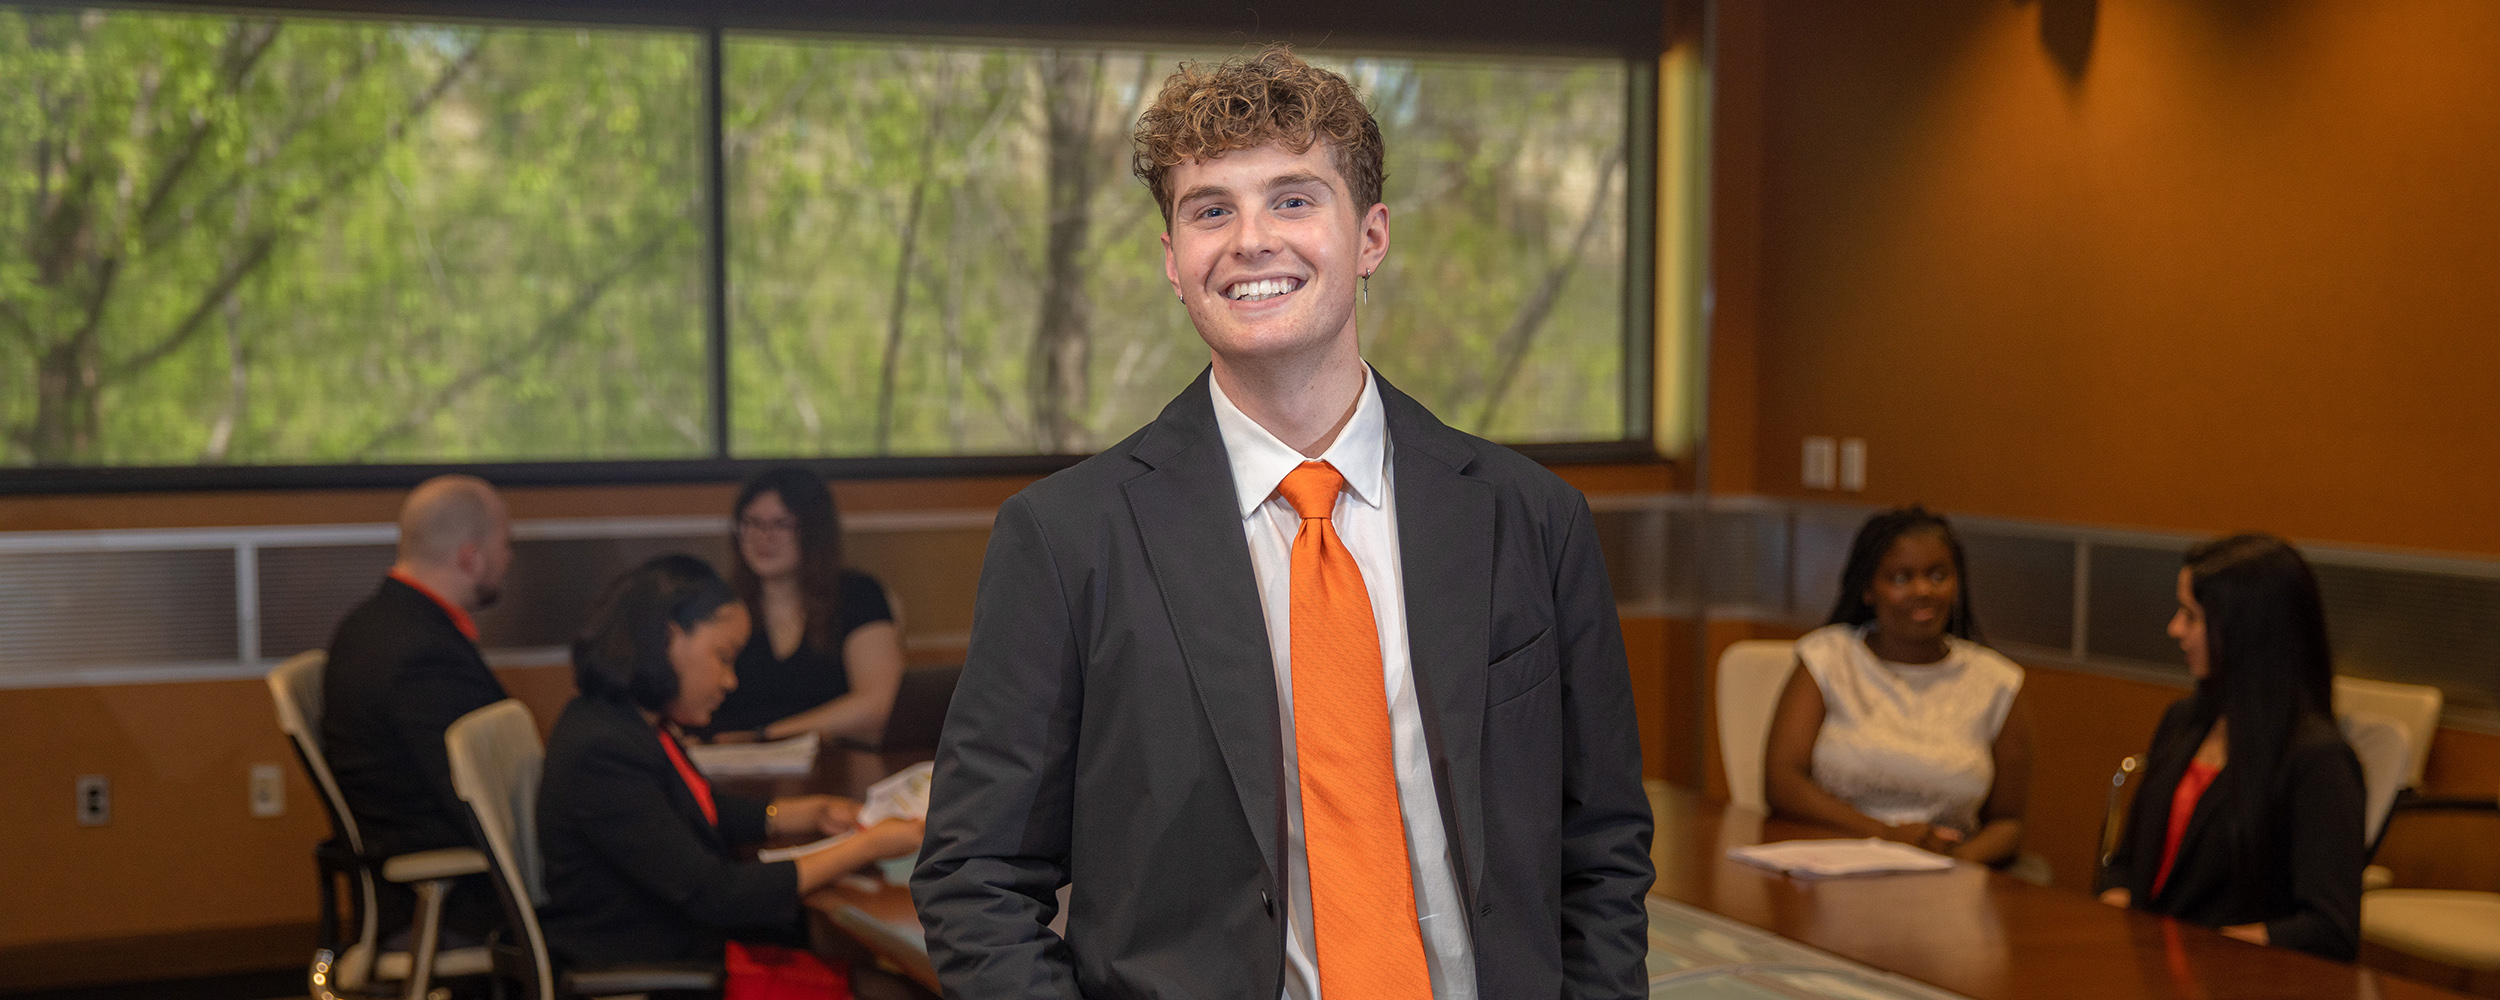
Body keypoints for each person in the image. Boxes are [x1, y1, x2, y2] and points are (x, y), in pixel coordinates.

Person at [914, 46, 1654, 1000]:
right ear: (1174, 263)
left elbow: (1602, 854)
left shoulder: (1531, 519)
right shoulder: (1066, 540)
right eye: (1210, 209)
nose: (1251, 239)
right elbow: (974, 877)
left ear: (1372, 237)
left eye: (1295, 199)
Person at [537, 555, 924, 992]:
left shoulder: (626, 721)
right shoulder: (603, 749)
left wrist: (804, 814)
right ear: (669, 638)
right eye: (723, 658)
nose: (730, 680)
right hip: (666, 969)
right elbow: (718, 893)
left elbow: (695, 808)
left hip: (687, 949)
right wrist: (865, 844)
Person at [2096, 534, 2364, 960]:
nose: (2174, 629)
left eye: (2191, 616)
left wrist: (2201, 951)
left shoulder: (2318, 760)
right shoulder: (2182, 722)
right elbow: (2125, 866)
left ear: (2246, 632)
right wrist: (2118, 914)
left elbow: (2328, 928)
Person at [1763, 506, 2035, 867]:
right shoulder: (1828, 657)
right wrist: (1887, 835)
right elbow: (1782, 783)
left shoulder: (1996, 682)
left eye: (1938, 576)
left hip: (1948, 878)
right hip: (1831, 864)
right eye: (1901, 578)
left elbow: (2008, 822)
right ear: (1867, 589)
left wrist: (1952, 864)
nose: (1923, 590)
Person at [323, 474, 515, 943]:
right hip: (452, 899)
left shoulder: (372, 623)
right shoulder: (420, 654)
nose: (509, 560)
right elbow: (476, 793)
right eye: (506, 546)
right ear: (471, 556)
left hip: (419, 874)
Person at [702, 467, 905, 744]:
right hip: (726, 764)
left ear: (814, 531)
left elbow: (880, 702)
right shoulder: (717, 602)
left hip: (834, 762)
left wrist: (766, 737)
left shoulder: (858, 593)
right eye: (751, 522)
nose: (764, 536)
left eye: (782, 524)